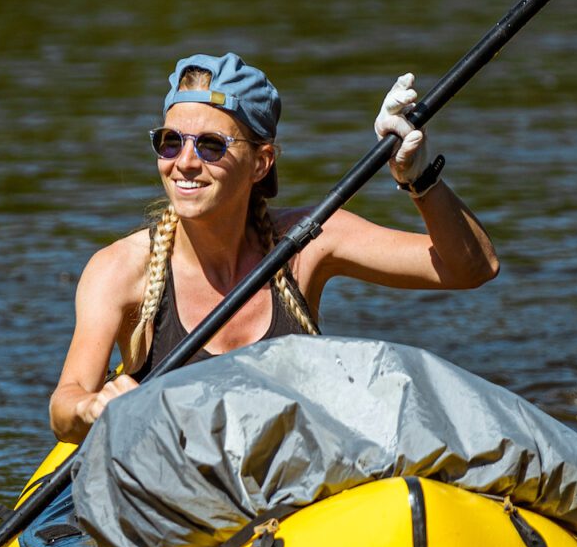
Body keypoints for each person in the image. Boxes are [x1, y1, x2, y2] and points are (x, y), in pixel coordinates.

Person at [49, 52, 499, 441]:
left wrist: (419, 178)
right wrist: (93, 409)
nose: (184, 163)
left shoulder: (306, 241)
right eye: (170, 143)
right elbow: (64, 407)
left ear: (261, 162)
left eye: (210, 146)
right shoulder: (121, 269)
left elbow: (471, 268)